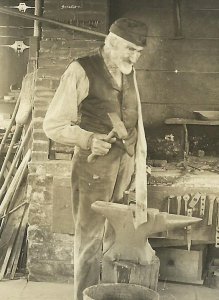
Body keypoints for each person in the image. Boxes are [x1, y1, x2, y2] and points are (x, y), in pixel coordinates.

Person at [43, 18, 148, 300]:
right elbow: (52, 124)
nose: (134, 56)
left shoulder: (129, 71)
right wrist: (89, 139)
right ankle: (84, 297)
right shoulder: (80, 69)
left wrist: (137, 162)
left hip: (124, 165)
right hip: (93, 166)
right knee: (90, 238)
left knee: (116, 234)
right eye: (130, 49)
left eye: (139, 51)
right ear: (111, 42)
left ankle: (106, 294)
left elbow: (135, 122)